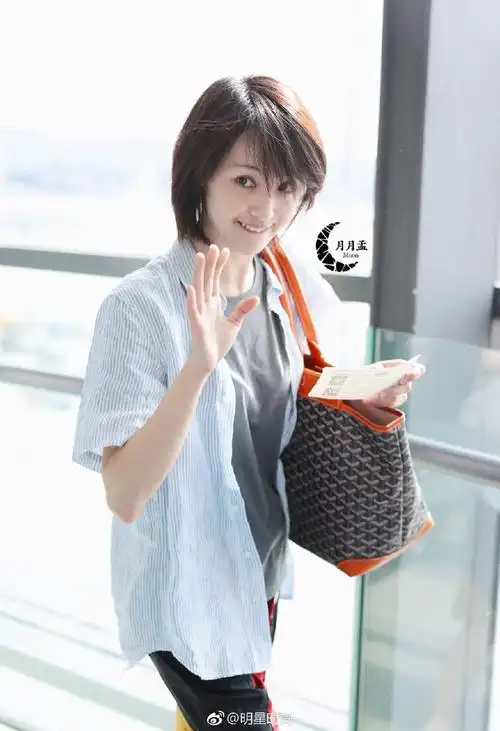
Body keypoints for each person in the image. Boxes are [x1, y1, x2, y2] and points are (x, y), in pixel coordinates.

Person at [72, 75, 424, 730]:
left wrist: (364, 389)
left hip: (258, 570)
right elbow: (124, 493)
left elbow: (287, 393)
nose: (267, 207)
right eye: (245, 180)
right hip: (186, 590)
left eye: (287, 187)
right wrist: (197, 369)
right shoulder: (139, 308)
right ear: (199, 178)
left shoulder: (289, 282)